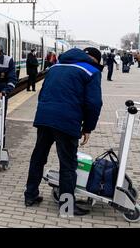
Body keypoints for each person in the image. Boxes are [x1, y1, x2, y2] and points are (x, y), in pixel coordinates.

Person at [24, 47, 103, 216]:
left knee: (38, 157)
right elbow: (94, 103)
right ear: (95, 59)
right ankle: (66, 206)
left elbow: (42, 93)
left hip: (44, 117)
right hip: (67, 121)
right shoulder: (91, 71)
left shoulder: (55, 67)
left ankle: (30, 195)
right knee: (68, 165)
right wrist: (88, 127)